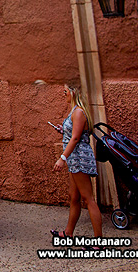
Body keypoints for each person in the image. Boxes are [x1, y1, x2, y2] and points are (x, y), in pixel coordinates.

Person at [51, 82, 102, 239]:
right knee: (74, 196)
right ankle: (68, 232)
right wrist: (63, 131)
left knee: (88, 198)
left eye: (65, 91)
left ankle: (99, 240)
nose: (63, 94)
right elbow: (72, 134)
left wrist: (62, 158)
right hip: (75, 159)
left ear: (73, 92)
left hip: (79, 158)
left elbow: (75, 138)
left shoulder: (78, 112)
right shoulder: (74, 111)